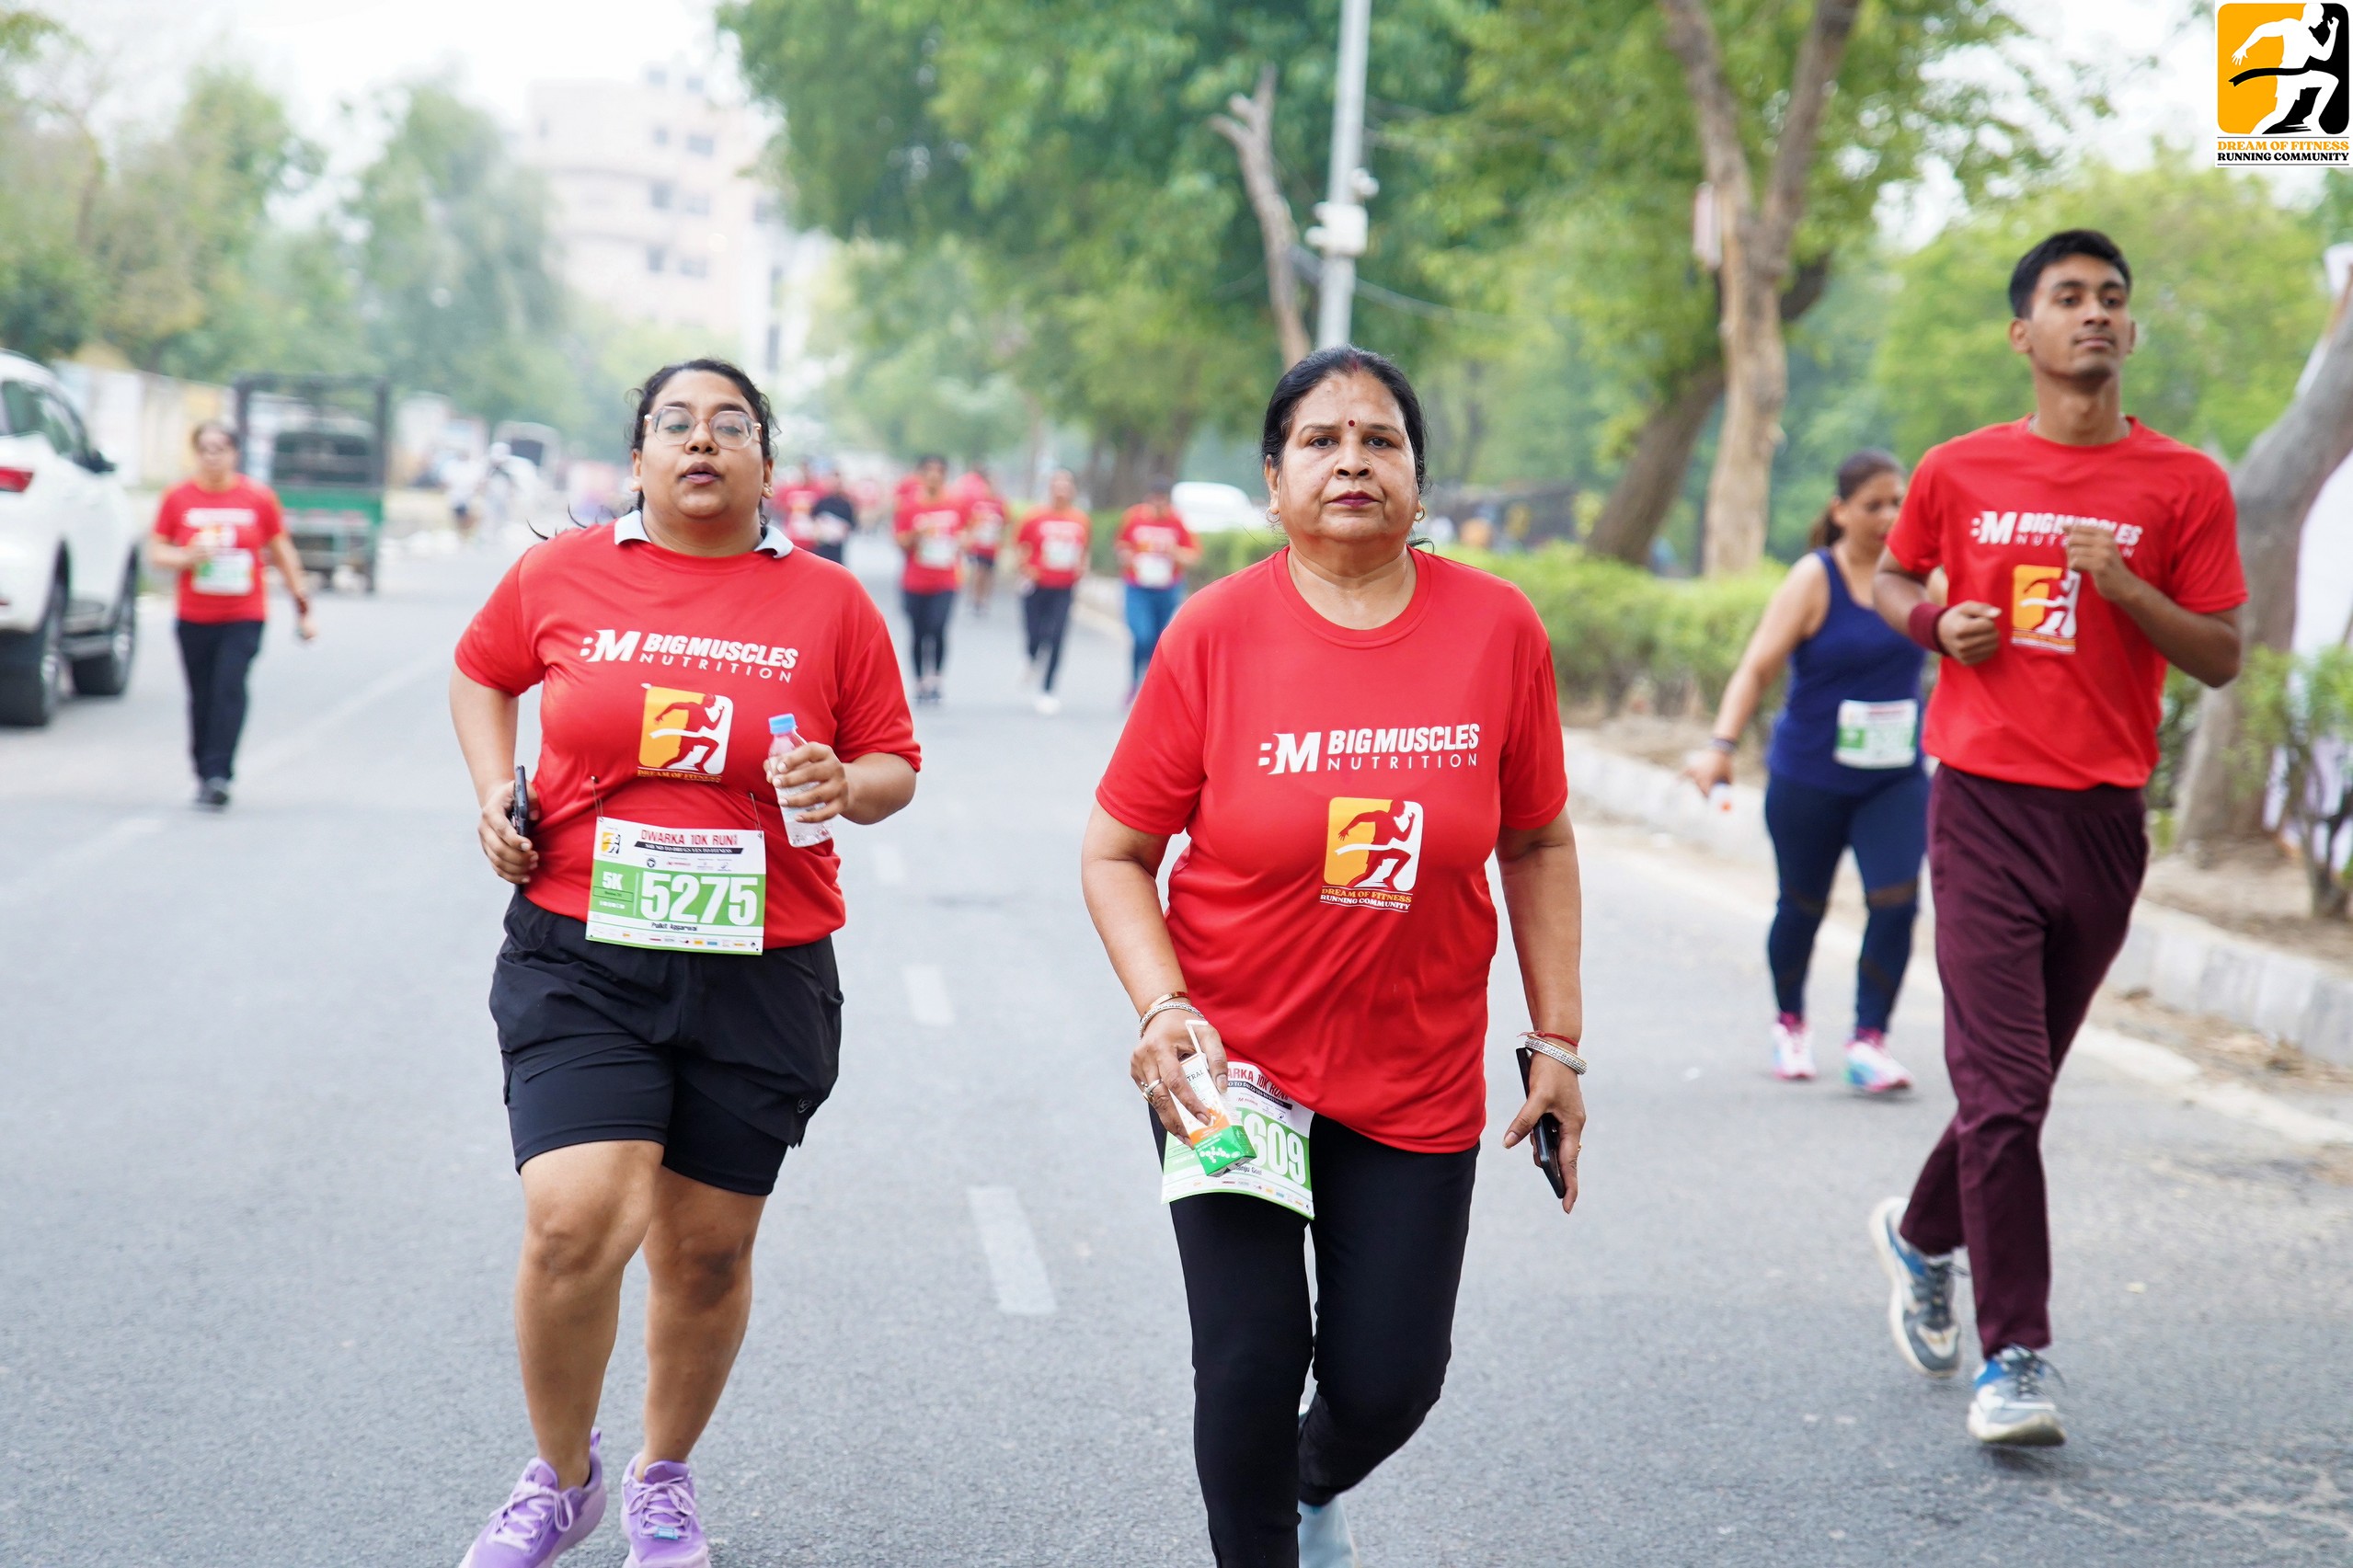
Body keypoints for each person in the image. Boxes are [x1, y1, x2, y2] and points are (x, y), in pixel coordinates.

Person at [1081, 346, 1587, 1567]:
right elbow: (1114, 852)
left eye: (1379, 439)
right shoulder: (1212, 634)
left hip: (1414, 1068)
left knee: (1389, 1381)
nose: (1352, 460)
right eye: (1320, 439)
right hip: (1233, 1069)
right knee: (1248, 1360)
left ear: (1417, 477)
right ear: (1272, 481)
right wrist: (1160, 1007)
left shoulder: (1496, 629)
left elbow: (1535, 839)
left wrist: (1556, 1042)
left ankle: (1307, 1479)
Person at [447, 358, 921, 1568]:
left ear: (765, 460)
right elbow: (482, 669)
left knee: (705, 1250)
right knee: (573, 1222)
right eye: (676, 424)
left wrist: (841, 779)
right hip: (582, 949)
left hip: (762, 962)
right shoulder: (560, 573)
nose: (701, 441)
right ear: (639, 456)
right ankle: (560, 1478)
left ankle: (662, 1477)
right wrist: (493, 789)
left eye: (730, 425)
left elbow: (892, 767)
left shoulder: (829, 604)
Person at [1867, 231, 2244, 1448]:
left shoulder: (2182, 484)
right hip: (1980, 805)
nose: (2093, 313)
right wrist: (1935, 626)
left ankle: (1921, 1235)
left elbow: (2221, 654)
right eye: (2066, 296)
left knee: (2012, 1092)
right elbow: (1889, 578)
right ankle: (2014, 1355)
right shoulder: (1958, 468)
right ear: (2020, 333)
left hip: (2102, 823)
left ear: (2127, 331)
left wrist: (2126, 588)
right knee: (2006, 1091)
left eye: (2110, 299)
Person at [1682, 450, 1926, 1093]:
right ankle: (1790, 1022)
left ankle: (1869, 1040)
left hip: (1893, 778)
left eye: (1898, 502)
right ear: (1840, 511)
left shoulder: (1922, 576)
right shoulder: (1816, 578)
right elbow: (1758, 667)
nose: (1889, 516)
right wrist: (1721, 744)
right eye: (1874, 504)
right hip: (1811, 777)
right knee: (1803, 904)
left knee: (1897, 901)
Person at [145, 420, 317, 808]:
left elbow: (283, 553)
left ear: (234, 454)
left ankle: (219, 773)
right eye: (204, 449)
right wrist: (186, 557)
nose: (212, 457)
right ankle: (203, 767)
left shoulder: (257, 498)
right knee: (202, 694)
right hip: (194, 616)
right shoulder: (178, 498)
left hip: (243, 614)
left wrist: (303, 608)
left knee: (228, 686)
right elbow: (156, 552)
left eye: (220, 449)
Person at [1013, 467, 1092, 715]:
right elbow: (1020, 547)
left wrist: (1083, 567)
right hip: (1036, 585)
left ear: (1072, 490)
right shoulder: (1034, 517)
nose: (1061, 491)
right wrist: (1027, 568)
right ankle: (1031, 656)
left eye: (1066, 486)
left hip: (1064, 587)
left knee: (1057, 637)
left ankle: (1048, 690)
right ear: (1050, 489)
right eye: (1057, 485)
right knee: (1035, 634)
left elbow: (1084, 550)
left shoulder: (1080, 520)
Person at [1115, 479, 1198, 700]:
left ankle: (1149, 686)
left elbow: (1193, 556)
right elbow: (1121, 545)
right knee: (1142, 635)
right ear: (1148, 498)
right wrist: (1125, 556)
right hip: (1138, 587)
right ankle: (1135, 679)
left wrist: (1175, 552)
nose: (1158, 505)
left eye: (1162, 500)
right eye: (1154, 500)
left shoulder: (1177, 521)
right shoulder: (1134, 517)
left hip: (1166, 589)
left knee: (1158, 640)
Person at [894, 454, 966, 704]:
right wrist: (918, 533)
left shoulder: (956, 505)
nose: (934, 476)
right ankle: (919, 681)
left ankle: (935, 678)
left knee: (938, 627)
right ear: (922, 475)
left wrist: (963, 541)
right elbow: (901, 543)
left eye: (939, 471)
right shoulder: (909, 507)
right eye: (929, 471)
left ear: (945, 476)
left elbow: (969, 532)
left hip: (946, 579)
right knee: (918, 632)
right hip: (915, 581)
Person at [958, 463, 1008, 615]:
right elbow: (967, 521)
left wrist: (1002, 542)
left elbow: (1005, 524)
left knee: (989, 573)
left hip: (992, 545)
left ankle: (985, 600)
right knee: (978, 571)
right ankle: (974, 599)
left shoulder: (1001, 503)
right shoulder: (976, 502)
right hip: (977, 544)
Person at [810, 465, 857, 566]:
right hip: (822, 544)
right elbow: (813, 518)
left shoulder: (846, 504)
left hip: (837, 546)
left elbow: (853, 523)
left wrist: (842, 529)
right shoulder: (822, 502)